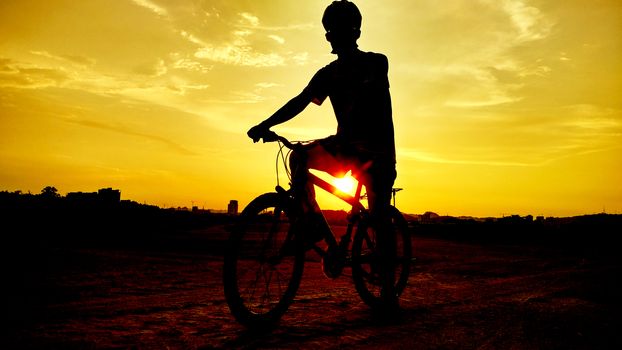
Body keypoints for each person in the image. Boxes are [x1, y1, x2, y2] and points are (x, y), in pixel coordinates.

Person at [247, 0, 399, 311]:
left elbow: (365, 93)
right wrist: (267, 124)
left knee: (379, 214)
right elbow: (301, 101)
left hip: (378, 154)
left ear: (355, 31)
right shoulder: (327, 74)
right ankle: (312, 226)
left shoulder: (376, 63)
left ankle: (387, 288)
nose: (334, 36)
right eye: (330, 31)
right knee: (299, 158)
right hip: (345, 149)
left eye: (340, 29)